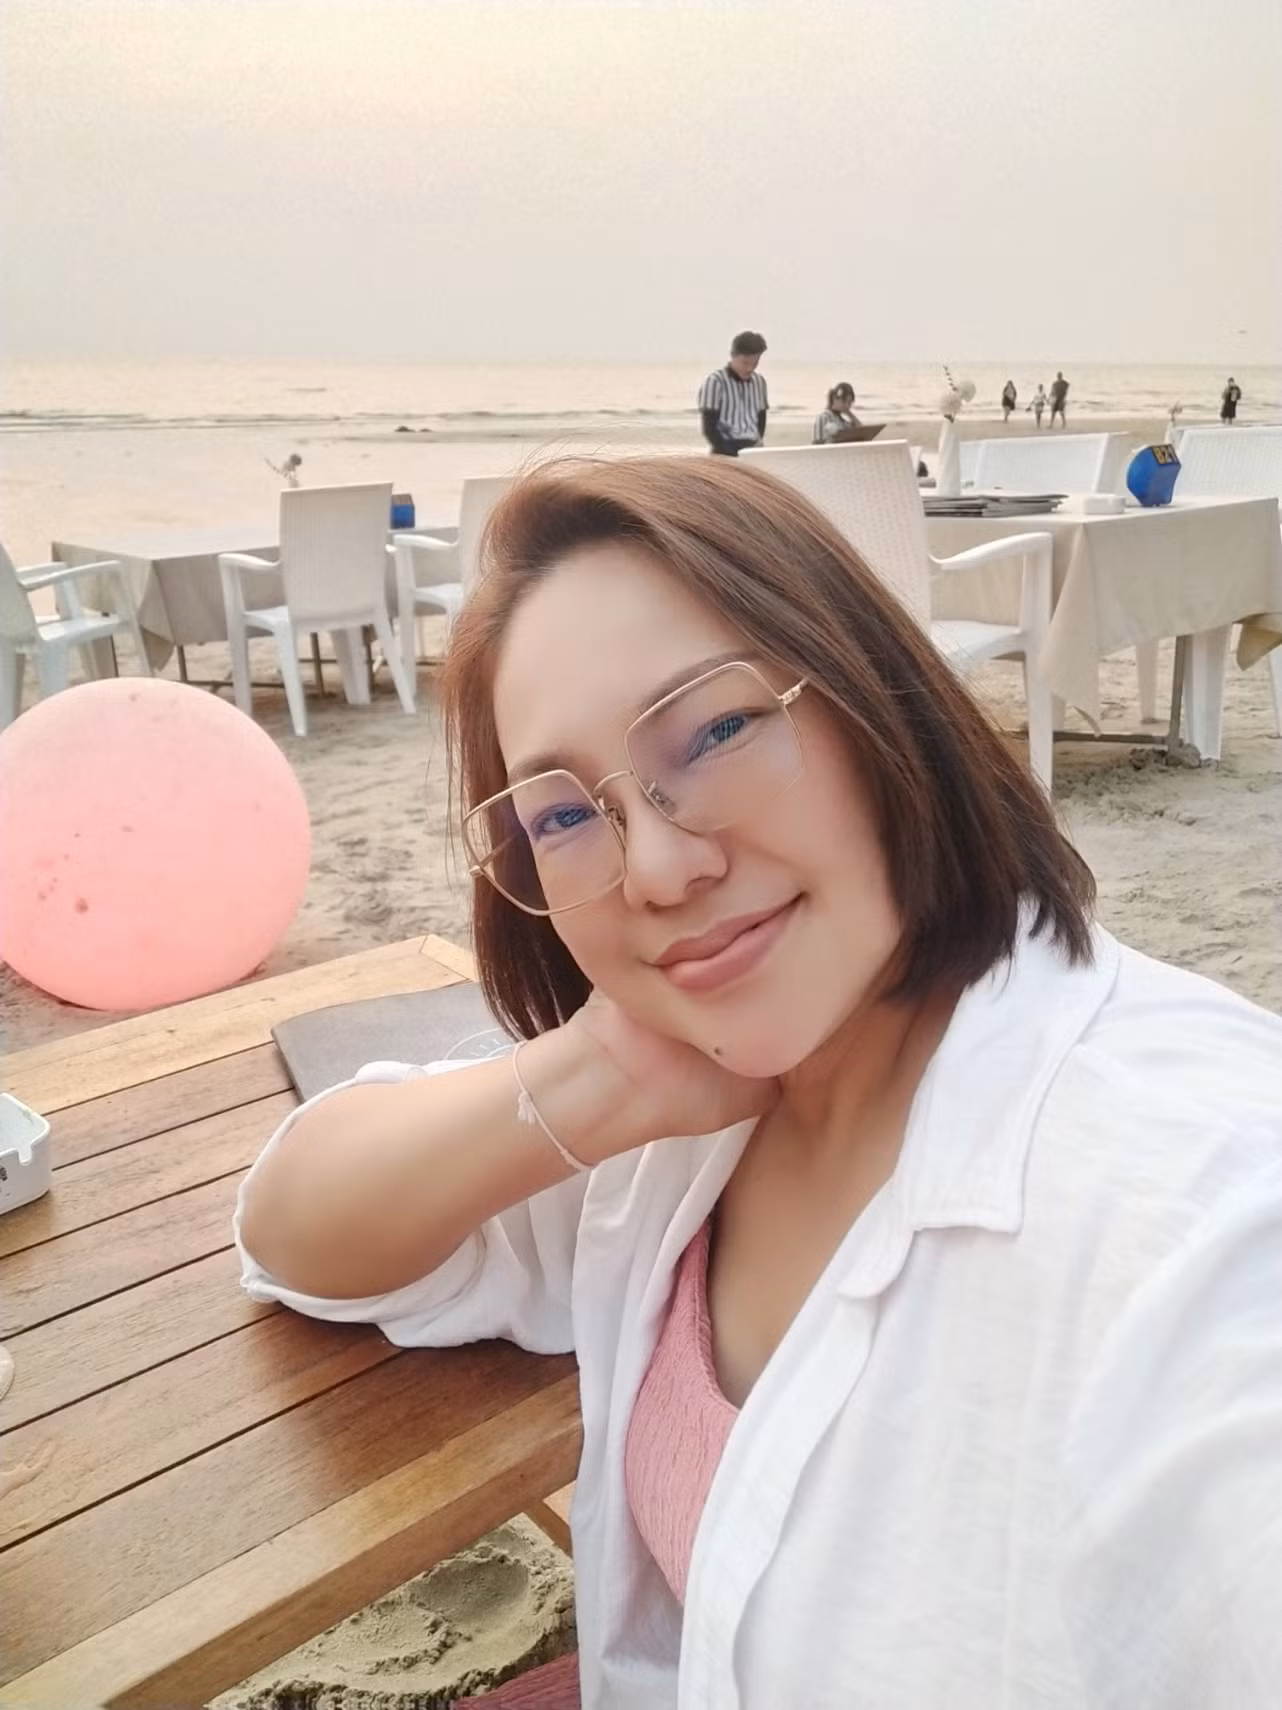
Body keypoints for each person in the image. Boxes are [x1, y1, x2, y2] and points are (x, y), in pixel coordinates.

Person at [237, 456, 1282, 1710]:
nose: (657, 868)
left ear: (876, 699)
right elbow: (298, 1232)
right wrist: (597, 1076)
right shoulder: (697, 1116)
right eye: (561, 816)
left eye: (718, 731)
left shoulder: (1200, 1217)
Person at [696, 331, 768, 456]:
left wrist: (757, 445)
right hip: (724, 448)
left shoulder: (759, 382)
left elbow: (761, 417)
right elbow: (709, 428)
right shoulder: (715, 381)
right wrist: (731, 453)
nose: (750, 368)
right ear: (733, 355)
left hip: (753, 448)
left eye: (755, 363)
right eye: (745, 363)